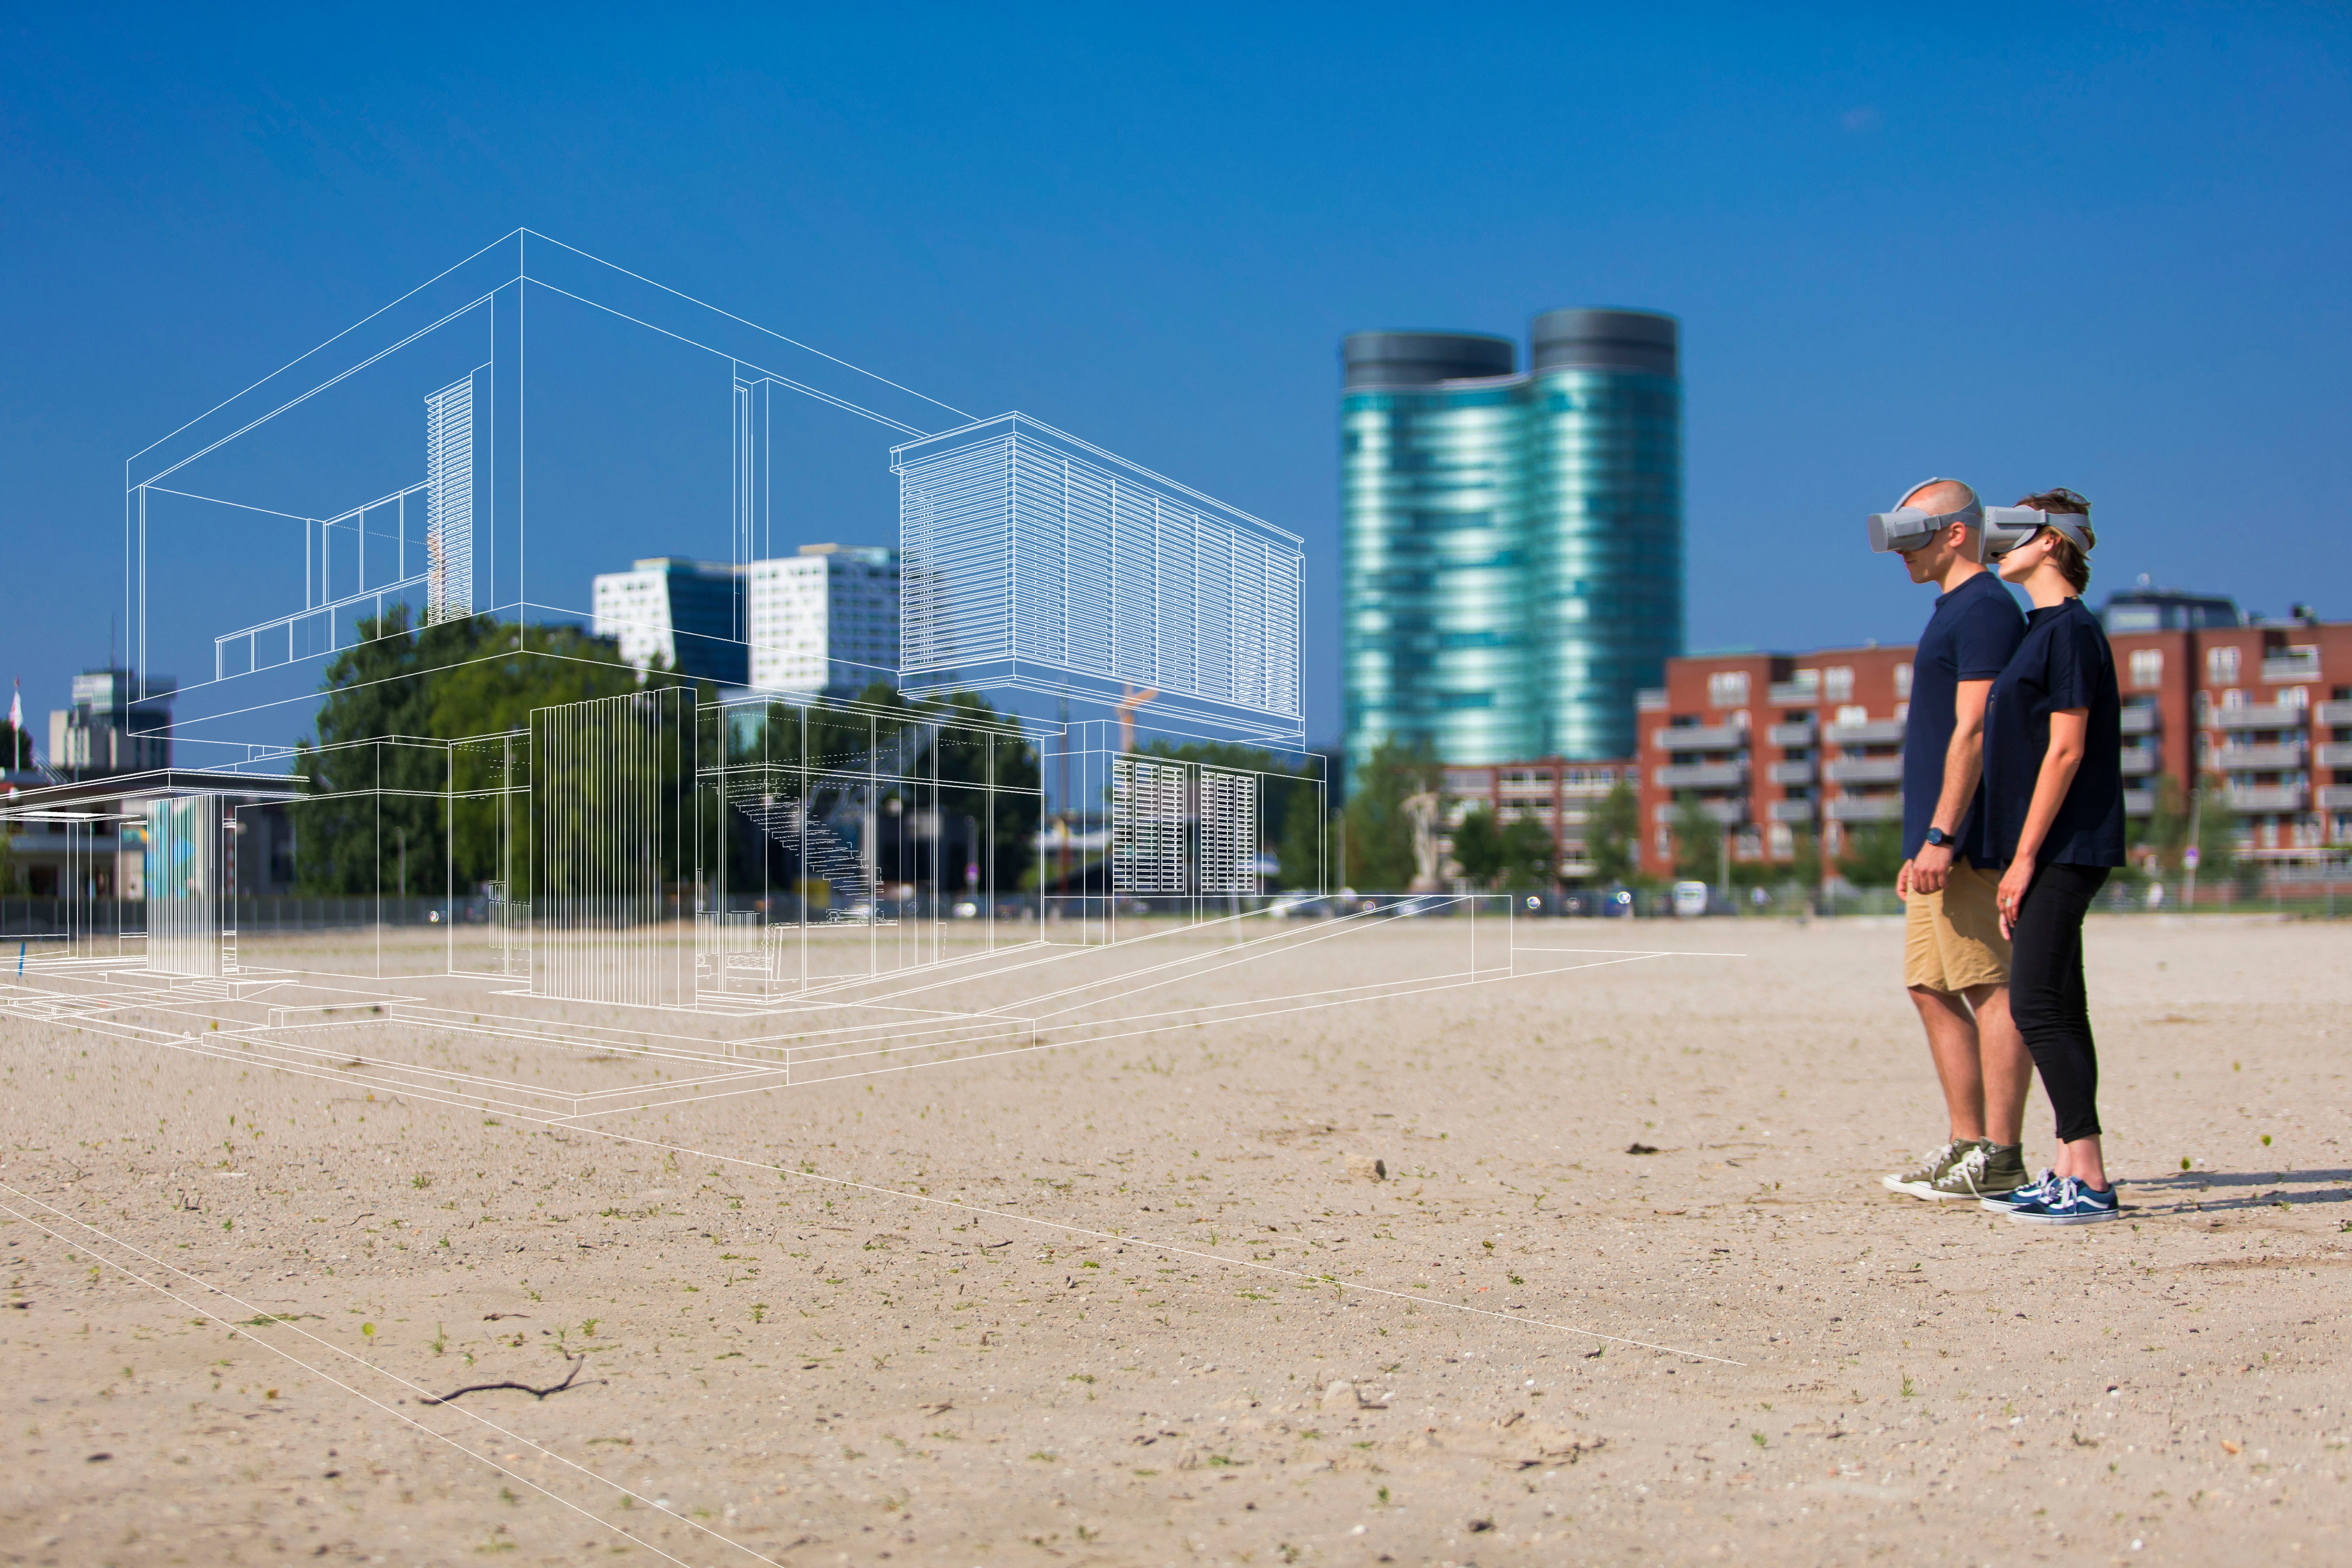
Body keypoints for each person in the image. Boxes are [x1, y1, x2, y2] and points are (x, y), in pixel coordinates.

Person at [1873, 478, 2036, 1202]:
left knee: (1988, 985)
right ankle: (1967, 1145)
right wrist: (1919, 841)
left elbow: (1975, 730)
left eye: (1914, 535)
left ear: (1958, 533)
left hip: (1967, 840)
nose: (1901, 552)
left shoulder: (1987, 609)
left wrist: (1944, 834)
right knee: (1929, 986)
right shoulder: (1954, 610)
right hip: (1934, 841)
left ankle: (2002, 1155)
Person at [1975, 489, 2127, 1224]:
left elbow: (2066, 750)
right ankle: (2070, 1166)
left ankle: (2089, 1175)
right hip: (2048, 847)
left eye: (2014, 532)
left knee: (2034, 1003)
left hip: (2064, 846)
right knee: (2061, 1003)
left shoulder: (2072, 631)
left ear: (2051, 542)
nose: (1998, 547)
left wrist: (2025, 857)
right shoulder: (2042, 631)